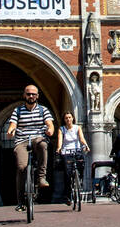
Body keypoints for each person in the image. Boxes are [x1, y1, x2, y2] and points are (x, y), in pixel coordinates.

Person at [5, 84, 54, 212]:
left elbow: (50, 124)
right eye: (28, 94)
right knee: (21, 168)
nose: (31, 96)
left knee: (43, 144)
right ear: (24, 95)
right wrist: (10, 131)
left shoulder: (44, 110)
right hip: (22, 140)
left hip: (38, 138)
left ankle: (41, 177)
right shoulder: (18, 110)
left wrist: (50, 130)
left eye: (33, 94)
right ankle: (21, 201)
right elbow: (12, 125)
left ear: (37, 96)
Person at [56, 110, 87, 205]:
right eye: (66, 118)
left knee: (81, 164)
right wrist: (59, 148)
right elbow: (60, 140)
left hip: (76, 150)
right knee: (67, 174)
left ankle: (79, 179)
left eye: (69, 117)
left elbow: (81, 138)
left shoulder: (78, 128)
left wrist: (86, 145)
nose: (68, 119)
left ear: (73, 118)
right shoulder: (61, 129)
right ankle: (68, 196)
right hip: (66, 152)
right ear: (64, 120)